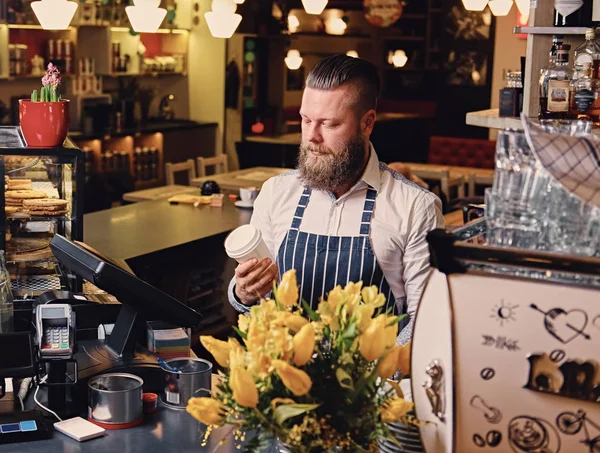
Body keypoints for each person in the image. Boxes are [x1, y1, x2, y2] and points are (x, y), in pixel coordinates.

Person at [228, 55, 444, 344]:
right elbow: (260, 301)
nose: (312, 137)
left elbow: (425, 319)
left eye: (329, 124)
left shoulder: (416, 207)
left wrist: (375, 381)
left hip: (370, 385)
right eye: (306, 120)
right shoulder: (275, 193)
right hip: (286, 379)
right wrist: (242, 292)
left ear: (367, 123)